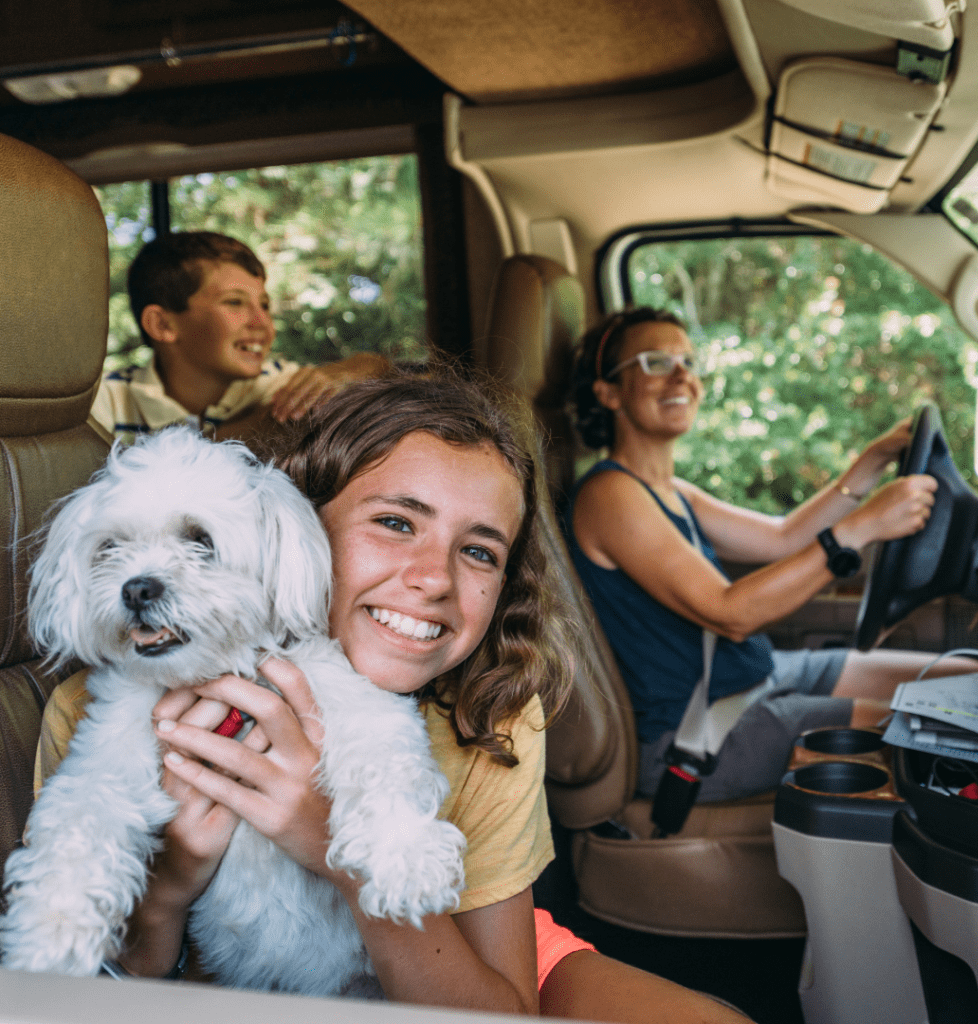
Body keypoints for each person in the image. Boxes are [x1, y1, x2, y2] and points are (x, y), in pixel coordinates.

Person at [35, 371, 750, 1023]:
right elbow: (107, 982)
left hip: (460, 937)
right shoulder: (111, 698)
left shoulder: (491, 709)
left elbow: (501, 1007)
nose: (432, 578)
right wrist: (172, 881)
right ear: (305, 526)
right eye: (396, 523)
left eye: (478, 551)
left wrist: (336, 851)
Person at [567, 307, 978, 801]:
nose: (682, 375)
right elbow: (731, 612)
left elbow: (784, 537)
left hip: (755, 676)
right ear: (608, 392)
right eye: (656, 362)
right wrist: (863, 526)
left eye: (689, 361)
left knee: (971, 680)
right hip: (698, 728)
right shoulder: (609, 495)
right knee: (942, 724)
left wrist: (870, 462)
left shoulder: (670, 490)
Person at [89, 231, 390, 446]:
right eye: (234, 302)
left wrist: (345, 372)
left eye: (264, 305)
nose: (263, 323)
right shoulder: (106, 402)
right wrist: (261, 425)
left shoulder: (279, 386)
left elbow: (378, 369)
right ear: (162, 324)